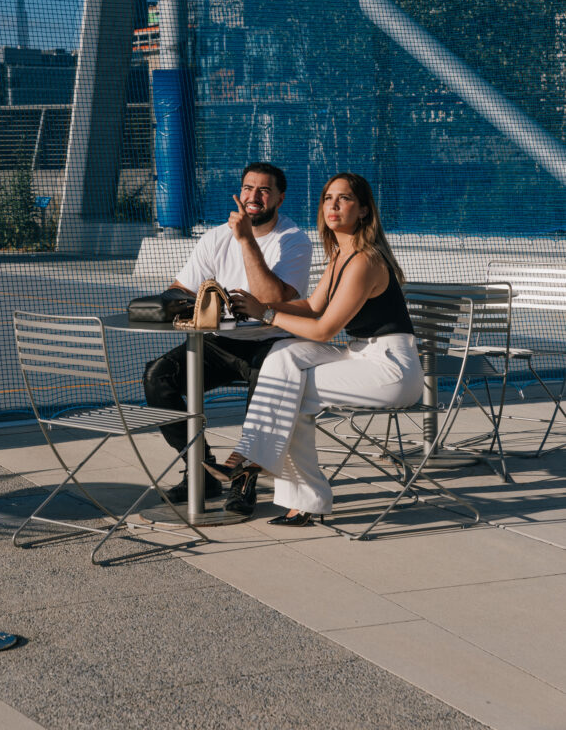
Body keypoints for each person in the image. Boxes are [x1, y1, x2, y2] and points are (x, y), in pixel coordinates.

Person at [204, 172, 424, 526]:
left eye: (345, 198)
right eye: (327, 198)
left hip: (391, 370)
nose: (333, 205)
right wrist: (257, 304)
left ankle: (251, 464)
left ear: (364, 211)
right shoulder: (340, 256)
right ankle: (269, 478)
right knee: (283, 356)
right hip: (362, 355)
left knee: (290, 391)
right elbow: (311, 307)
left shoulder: (365, 261)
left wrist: (269, 314)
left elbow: (323, 329)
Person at [143, 162, 313, 515]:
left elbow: (273, 297)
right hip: (222, 341)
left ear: (280, 197)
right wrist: (187, 304)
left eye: (264, 190)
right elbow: (181, 288)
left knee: (263, 390)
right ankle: (201, 473)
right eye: (249, 188)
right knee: (158, 376)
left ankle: (243, 481)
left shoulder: (293, 240)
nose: (254, 196)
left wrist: (247, 238)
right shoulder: (216, 236)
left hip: (274, 341)